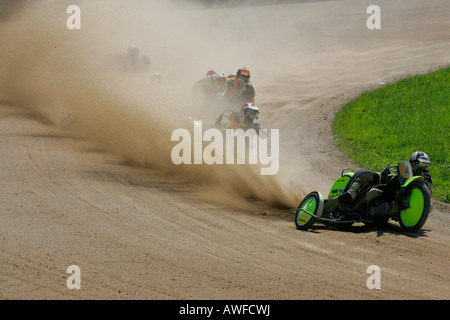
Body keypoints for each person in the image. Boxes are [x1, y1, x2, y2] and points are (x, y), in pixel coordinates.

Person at [323, 151, 433, 216]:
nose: (424, 169)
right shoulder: (403, 172)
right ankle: (350, 196)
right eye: (421, 165)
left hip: (393, 206)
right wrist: (385, 175)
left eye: (426, 166)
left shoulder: (423, 183)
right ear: (413, 164)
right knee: (371, 186)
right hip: (383, 190)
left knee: (431, 207)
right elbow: (386, 180)